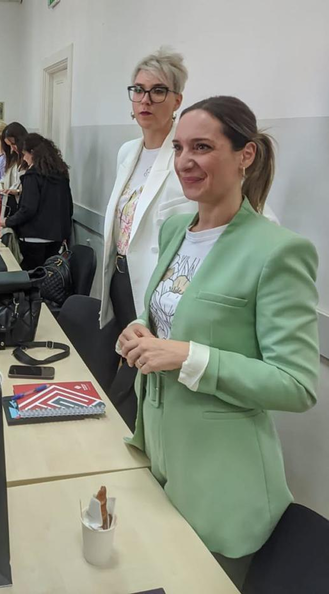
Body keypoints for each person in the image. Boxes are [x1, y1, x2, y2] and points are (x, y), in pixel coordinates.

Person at [118, 96, 319, 588]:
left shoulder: (277, 251)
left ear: (245, 155)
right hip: (157, 455)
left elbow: (296, 384)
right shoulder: (175, 229)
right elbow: (170, 312)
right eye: (179, 147)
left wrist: (188, 356)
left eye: (202, 147)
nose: (185, 161)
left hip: (222, 483)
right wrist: (140, 329)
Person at [100, 48, 195, 425]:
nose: (145, 100)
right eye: (138, 90)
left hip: (159, 286)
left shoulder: (185, 156)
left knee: (150, 376)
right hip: (121, 278)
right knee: (128, 362)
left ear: (177, 100)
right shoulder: (128, 151)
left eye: (158, 91)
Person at [2, 134, 73, 270]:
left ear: (33, 153)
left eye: (25, 154)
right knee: (49, 275)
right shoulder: (61, 174)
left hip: (33, 237)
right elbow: (68, 207)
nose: (24, 158)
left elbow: (28, 209)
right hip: (56, 236)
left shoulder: (32, 176)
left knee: (32, 275)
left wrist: (7, 221)